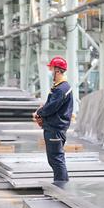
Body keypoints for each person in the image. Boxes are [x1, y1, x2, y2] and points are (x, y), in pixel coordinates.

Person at [33, 56, 73, 186]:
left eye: (52, 69)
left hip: (55, 129)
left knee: (56, 159)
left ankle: (61, 186)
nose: (50, 72)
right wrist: (42, 114)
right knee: (55, 159)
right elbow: (51, 105)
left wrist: (39, 113)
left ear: (57, 70)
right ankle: (61, 184)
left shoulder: (61, 89)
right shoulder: (60, 87)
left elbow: (51, 107)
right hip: (54, 127)